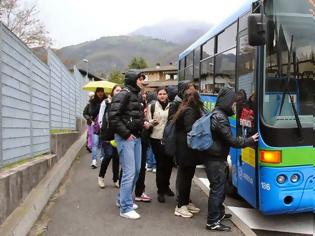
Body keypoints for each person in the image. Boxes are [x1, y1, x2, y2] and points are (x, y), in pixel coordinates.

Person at [203, 87, 259, 231]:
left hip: (215, 157)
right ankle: (212, 222)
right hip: (215, 159)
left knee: (220, 189)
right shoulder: (220, 117)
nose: (235, 106)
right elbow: (232, 141)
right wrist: (250, 140)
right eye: (233, 103)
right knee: (217, 190)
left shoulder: (218, 114)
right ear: (227, 102)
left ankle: (219, 214)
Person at [109, 70, 145, 220]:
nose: (143, 81)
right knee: (129, 172)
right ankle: (125, 207)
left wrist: (143, 124)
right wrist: (125, 134)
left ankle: (122, 199)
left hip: (136, 137)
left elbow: (133, 116)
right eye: (140, 79)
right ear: (133, 80)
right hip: (126, 138)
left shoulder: (136, 94)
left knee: (136, 170)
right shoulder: (123, 94)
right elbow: (113, 117)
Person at [172, 87, 203, 218]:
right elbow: (191, 129)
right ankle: (180, 206)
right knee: (185, 178)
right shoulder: (190, 110)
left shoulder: (184, 108)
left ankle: (185, 202)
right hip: (186, 150)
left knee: (187, 177)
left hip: (184, 148)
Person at [147, 87, 174, 203]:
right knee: (160, 164)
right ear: (157, 95)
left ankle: (166, 186)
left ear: (167, 95)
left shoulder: (172, 106)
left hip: (169, 139)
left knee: (168, 164)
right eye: (160, 94)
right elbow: (148, 122)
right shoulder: (152, 106)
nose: (162, 96)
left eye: (164, 94)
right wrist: (152, 122)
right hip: (156, 138)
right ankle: (160, 190)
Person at [97, 85, 122, 188]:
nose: (119, 92)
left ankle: (116, 179)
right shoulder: (106, 102)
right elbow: (100, 117)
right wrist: (103, 128)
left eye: (121, 90)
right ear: (112, 92)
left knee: (116, 157)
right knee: (108, 155)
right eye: (117, 90)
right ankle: (101, 176)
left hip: (118, 133)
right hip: (107, 133)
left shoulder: (122, 103)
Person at [85, 87, 106, 168]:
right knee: (95, 143)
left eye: (102, 92)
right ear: (96, 93)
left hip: (104, 126)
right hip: (95, 126)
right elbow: (87, 113)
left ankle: (102, 157)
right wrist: (90, 120)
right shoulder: (92, 102)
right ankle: (94, 160)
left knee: (102, 143)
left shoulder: (106, 101)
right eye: (99, 92)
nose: (100, 93)